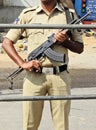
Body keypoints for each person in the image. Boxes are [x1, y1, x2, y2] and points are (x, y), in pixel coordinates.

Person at [2, 0, 84, 130]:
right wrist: (23, 63)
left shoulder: (69, 15)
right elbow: (7, 42)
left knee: (61, 126)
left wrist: (66, 42)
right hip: (34, 78)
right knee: (30, 125)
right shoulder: (27, 14)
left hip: (60, 77)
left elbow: (80, 48)